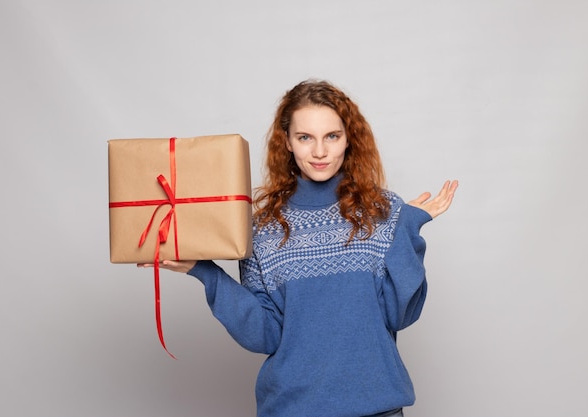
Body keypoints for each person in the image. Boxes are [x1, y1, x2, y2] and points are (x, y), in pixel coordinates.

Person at [140, 80, 458, 417]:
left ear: (349, 139)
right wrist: (204, 271)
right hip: (293, 409)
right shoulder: (262, 229)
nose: (319, 152)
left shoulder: (382, 213)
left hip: (377, 408)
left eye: (331, 136)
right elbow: (266, 335)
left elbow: (400, 313)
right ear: (287, 142)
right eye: (305, 137)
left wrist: (407, 226)